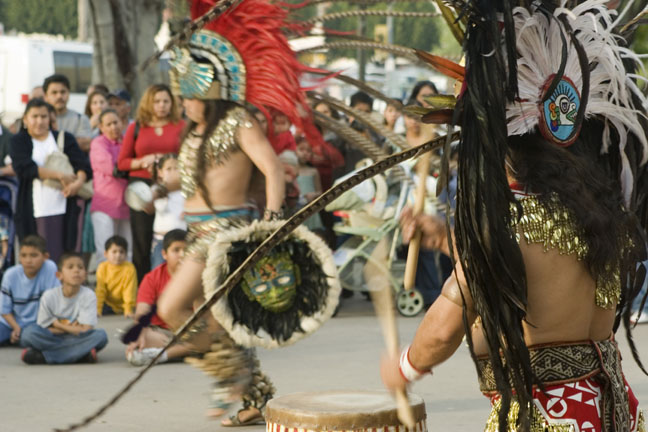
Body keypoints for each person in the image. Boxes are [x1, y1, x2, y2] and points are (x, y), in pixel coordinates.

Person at [380, 1, 648, 430]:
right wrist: (444, 237)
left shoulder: (509, 225)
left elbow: (444, 329)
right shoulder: (600, 212)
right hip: (611, 409)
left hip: (546, 418)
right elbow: (547, 268)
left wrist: (406, 367)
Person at [155, 0, 334, 425]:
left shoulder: (239, 123)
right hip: (194, 230)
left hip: (225, 233)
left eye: (189, 94)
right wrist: (158, 185)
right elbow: (194, 179)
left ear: (209, 88)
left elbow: (272, 168)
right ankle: (249, 396)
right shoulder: (193, 132)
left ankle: (230, 374)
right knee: (220, 318)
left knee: (171, 308)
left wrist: (272, 223)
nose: (184, 102)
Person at [117, 83, 185, 282]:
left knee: (175, 237)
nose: (161, 105)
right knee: (142, 240)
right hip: (142, 187)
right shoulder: (136, 127)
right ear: (148, 103)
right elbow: (122, 162)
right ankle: (144, 288)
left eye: (165, 101)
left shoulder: (180, 126)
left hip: (174, 188)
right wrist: (142, 160)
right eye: (156, 101)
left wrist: (168, 161)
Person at [10, 98, 91, 262]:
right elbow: (25, 168)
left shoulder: (64, 138)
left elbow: (83, 166)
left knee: (64, 253)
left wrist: (77, 183)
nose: (39, 121)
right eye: (34, 116)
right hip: (34, 208)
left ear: (50, 118)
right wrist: (60, 175)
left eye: (43, 116)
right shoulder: (19, 141)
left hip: (65, 206)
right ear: (25, 119)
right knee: (34, 253)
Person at [20, 252, 108, 364]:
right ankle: (81, 355)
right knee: (28, 334)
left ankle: (44, 357)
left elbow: (86, 330)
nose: (76, 270)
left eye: (80, 267)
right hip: (52, 338)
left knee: (100, 336)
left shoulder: (88, 295)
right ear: (59, 275)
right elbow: (44, 328)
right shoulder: (49, 296)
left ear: (85, 274)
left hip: (78, 338)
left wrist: (58, 324)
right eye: (70, 267)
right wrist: (72, 328)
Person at [126, 229, 191, 366]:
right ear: (164, 254)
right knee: (141, 339)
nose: (182, 255)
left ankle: (163, 355)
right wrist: (139, 334)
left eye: (186, 250)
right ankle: (186, 352)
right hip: (162, 334)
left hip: (192, 332)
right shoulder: (151, 278)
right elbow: (142, 311)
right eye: (176, 250)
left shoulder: (198, 276)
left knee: (212, 338)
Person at [89, 109, 131, 263]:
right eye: (109, 124)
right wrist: (135, 165)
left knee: (127, 252)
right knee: (105, 253)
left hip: (127, 205)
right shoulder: (98, 143)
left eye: (116, 122)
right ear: (101, 127)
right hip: (104, 205)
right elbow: (112, 168)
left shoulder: (127, 140)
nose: (114, 127)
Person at [0, 235, 58, 346]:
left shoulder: (50, 268)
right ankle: (16, 338)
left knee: (30, 336)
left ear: (45, 256)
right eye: (24, 255)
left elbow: (52, 304)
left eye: (34, 255)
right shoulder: (10, 275)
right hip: (9, 323)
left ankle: (19, 339)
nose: (28, 260)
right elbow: (4, 311)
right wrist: (16, 329)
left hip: (38, 324)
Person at [150, 154, 185, 269]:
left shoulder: (186, 190)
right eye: (168, 169)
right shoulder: (157, 189)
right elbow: (154, 206)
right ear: (160, 172)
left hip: (182, 239)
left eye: (176, 168)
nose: (173, 172)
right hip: (161, 239)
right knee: (159, 269)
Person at [43, 74, 93, 152]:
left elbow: (86, 144)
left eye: (63, 92)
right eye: (54, 92)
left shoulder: (81, 119)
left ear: (68, 93)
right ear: (45, 96)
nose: (59, 96)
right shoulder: (40, 120)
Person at [95, 236, 137, 318]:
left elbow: (130, 290)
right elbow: (100, 290)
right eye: (114, 252)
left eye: (121, 252)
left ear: (126, 254)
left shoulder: (129, 268)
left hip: (124, 305)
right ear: (105, 254)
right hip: (107, 304)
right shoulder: (102, 267)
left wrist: (128, 310)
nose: (118, 255)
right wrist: (97, 310)